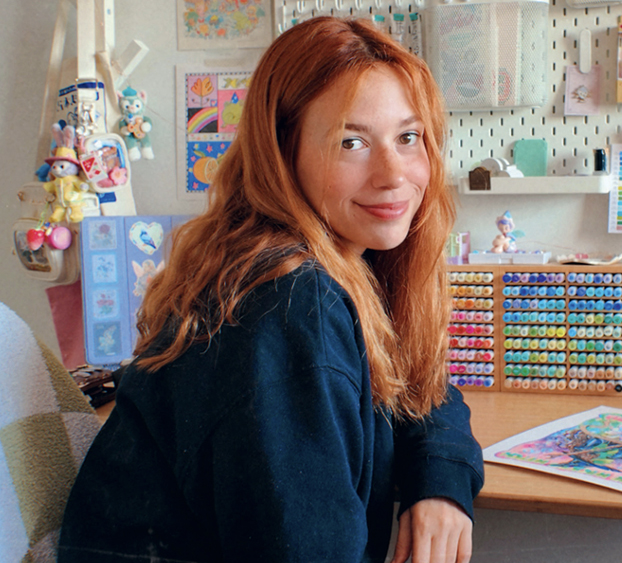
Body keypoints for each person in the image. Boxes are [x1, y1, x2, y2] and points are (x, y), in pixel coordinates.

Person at [59, 17, 484, 563]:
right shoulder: (290, 306)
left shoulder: (347, 263)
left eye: (408, 137)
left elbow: (423, 382)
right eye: (351, 142)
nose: (394, 173)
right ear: (284, 154)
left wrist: (441, 480)